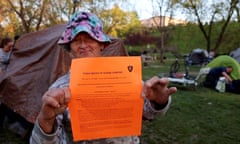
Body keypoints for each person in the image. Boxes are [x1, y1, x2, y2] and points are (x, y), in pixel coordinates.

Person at [30, 11, 177, 144]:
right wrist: (45, 120)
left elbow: (149, 113)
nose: (83, 45)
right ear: (69, 49)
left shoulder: (124, 77)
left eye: (89, 39)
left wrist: (158, 101)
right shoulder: (59, 90)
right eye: (76, 40)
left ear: (102, 45)